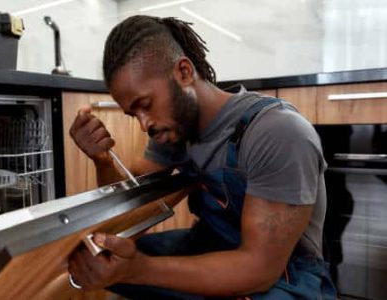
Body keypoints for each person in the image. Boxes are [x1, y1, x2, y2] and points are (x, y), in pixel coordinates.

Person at [68, 15, 336, 299]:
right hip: (212, 245)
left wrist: (138, 270)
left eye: (145, 105)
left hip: (283, 275)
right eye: (134, 114)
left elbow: (259, 269)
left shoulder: (275, 131)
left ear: (183, 72)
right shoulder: (174, 129)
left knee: (130, 266)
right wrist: (103, 160)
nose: (144, 124)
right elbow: (130, 204)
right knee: (101, 262)